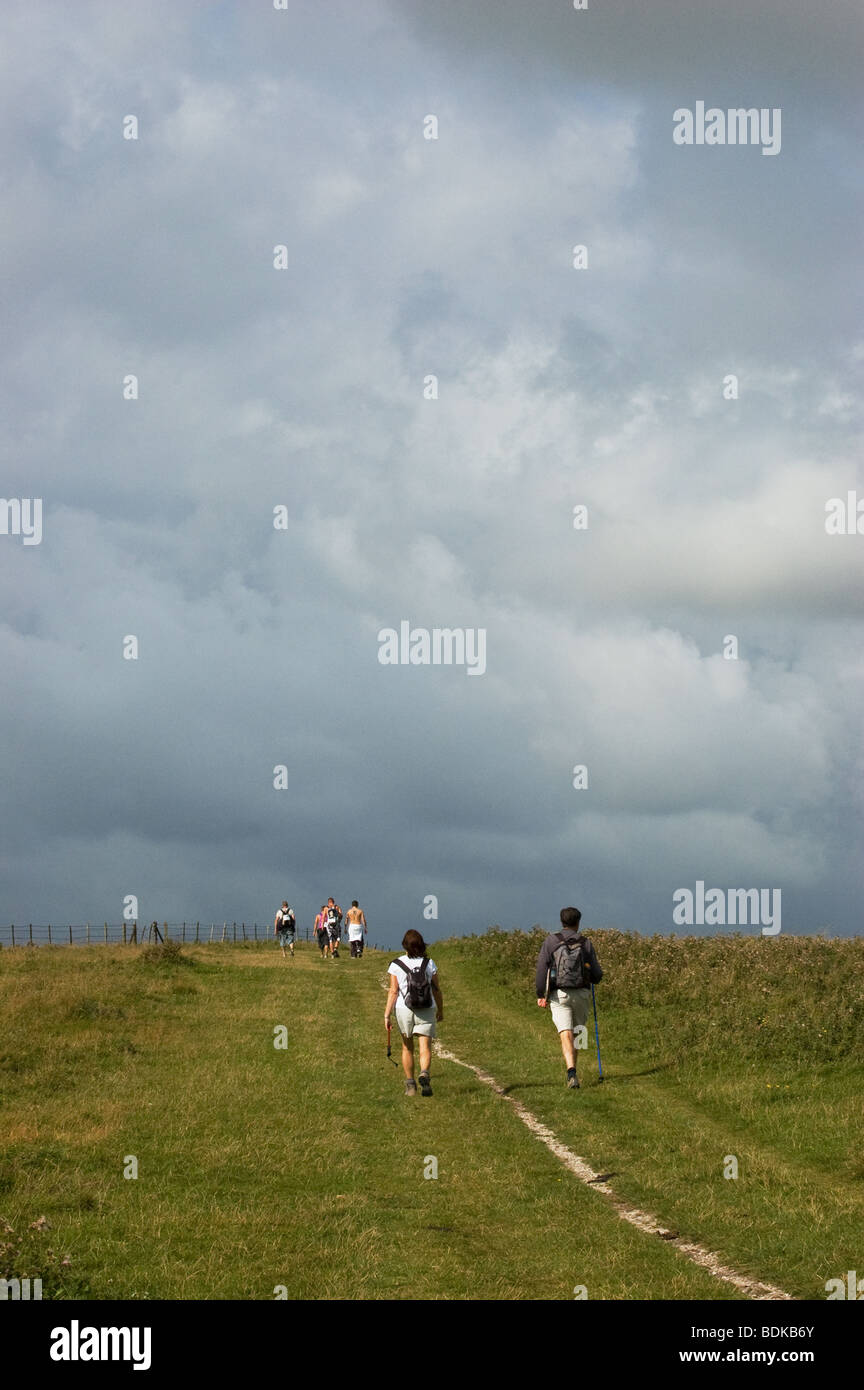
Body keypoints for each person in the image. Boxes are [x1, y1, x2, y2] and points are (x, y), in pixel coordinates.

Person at [535, 907, 603, 1089]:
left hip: (559, 994)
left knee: (565, 1032)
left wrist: (540, 993)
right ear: (577, 922)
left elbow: (542, 969)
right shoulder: (585, 943)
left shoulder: (551, 941)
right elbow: (597, 974)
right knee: (579, 1030)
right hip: (581, 993)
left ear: (561, 921)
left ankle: (571, 1071)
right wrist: (593, 976)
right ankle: (575, 1069)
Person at [384, 929, 443, 1096]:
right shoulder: (429, 963)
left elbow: (393, 991)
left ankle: (410, 1085)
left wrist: (387, 1014)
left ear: (405, 946)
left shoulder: (396, 964)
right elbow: (437, 990)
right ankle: (424, 1073)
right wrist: (440, 1010)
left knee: (407, 1047)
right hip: (426, 1007)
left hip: (404, 1009)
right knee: (425, 1046)